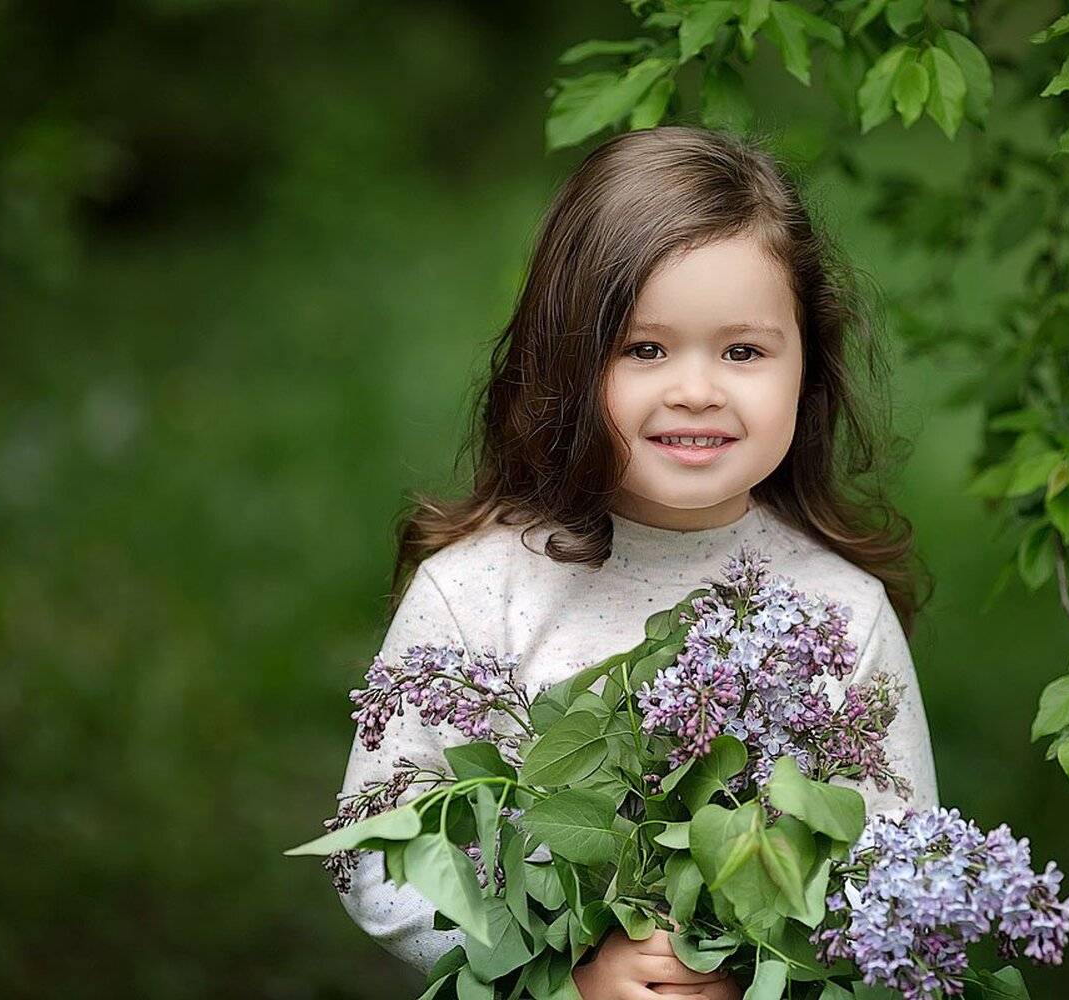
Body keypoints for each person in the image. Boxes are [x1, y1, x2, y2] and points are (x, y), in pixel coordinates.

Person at [330, 124, 940, 999]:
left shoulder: (842, 612)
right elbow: (378, 855)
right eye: (645, 349)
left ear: (807, 368)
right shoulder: (477, 593)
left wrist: (756, 971)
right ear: (569, 363)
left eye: (743, 351)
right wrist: (561, 974)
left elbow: (901, 878)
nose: (697, 389)